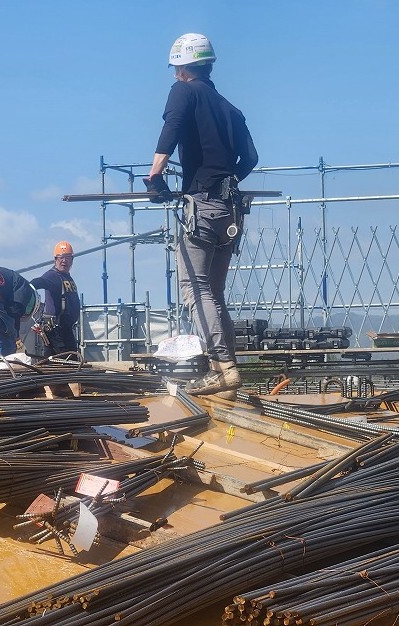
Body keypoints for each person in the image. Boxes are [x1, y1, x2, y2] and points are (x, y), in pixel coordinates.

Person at [144, 33, 258, 396]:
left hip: (204, 206)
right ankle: (227, 371)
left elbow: (171, 130)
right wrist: (226, 182)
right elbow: (250, 158)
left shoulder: (184, 92)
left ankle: (222, 367)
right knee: (214, 292)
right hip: (230, 209)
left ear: (182, 68)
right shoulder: (230, 108)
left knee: (195, 288)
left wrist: (155, 176)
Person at [0, 263, 41, 356]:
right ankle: (4, 365)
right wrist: (17, 340)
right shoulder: (25, 290)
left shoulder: (11, 280)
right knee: (6, 339)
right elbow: (15, 312)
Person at [30, 241, 81, 357]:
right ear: (55, 259)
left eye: (67, 257)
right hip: (55, 330)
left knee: (60, 359)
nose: (64, 261)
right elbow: (40, 282)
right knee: (67, 359)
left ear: (72, 260)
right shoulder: (52, 276)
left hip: (65, 329)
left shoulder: (67, 277)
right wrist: (29, 287)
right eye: (61, 257)